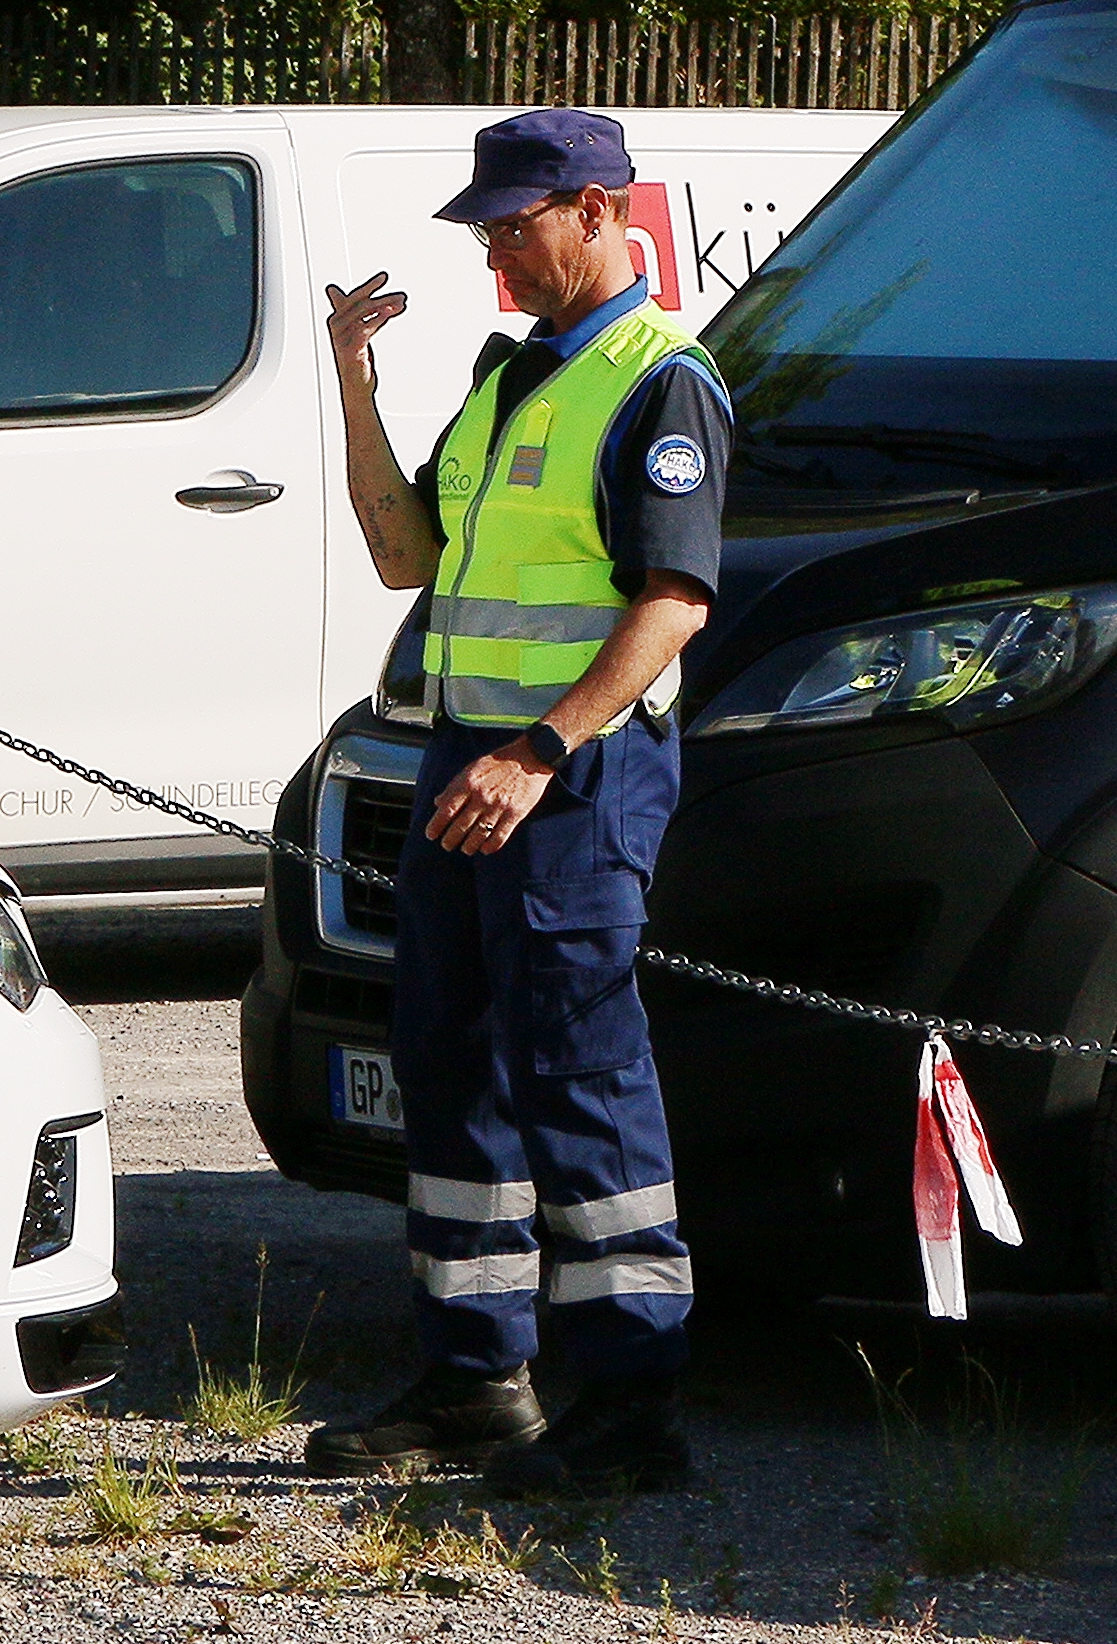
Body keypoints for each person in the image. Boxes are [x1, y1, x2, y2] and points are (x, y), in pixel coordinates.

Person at [301, 108, 730, 1497]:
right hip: (465, 764)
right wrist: (354, 385)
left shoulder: (658, 380)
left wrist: (541, 750)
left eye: (514, 222)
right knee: (450, 1062)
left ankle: (630, 1407)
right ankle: (476, 1378)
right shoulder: (508, 379)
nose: (494, 250)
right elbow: (401, 555)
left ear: (600, 209)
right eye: (485, 227)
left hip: (572, 776)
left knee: (581, 1076)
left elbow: (673, 602)